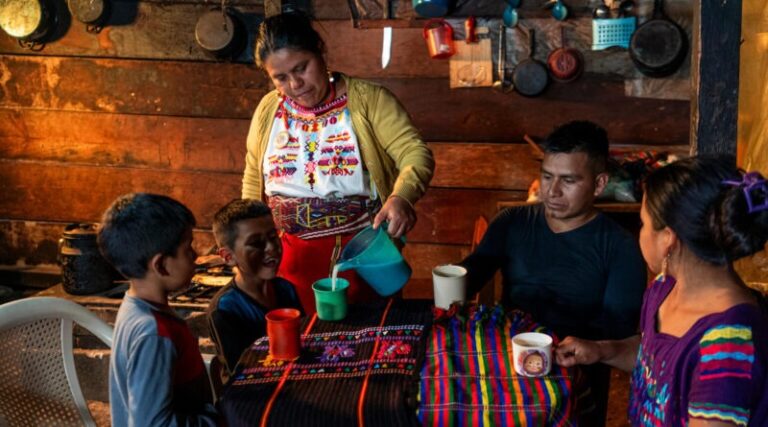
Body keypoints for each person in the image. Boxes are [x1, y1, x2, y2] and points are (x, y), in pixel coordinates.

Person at [241, 11, 435, 314]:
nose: (295, 84)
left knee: (367, 332)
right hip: (286, 260)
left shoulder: (369, 101)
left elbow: (414, 152)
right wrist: (246, 238)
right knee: (297, 333)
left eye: (301, 68)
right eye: (280, 77)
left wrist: (401, 197)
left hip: (362, 254)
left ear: (320, 52)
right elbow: (254, 175)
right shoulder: (269, 109)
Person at [556, 156, 768, 426]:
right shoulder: (664, 288)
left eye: (643, 224)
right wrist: (603, 350)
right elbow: (654, 359)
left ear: (668, 238)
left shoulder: (728, 342)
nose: (641, 233)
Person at [460, 120, 647, 426]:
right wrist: (450, 279)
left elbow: (620, 337)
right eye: (547, 176)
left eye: (568, 180)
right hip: (509, 369)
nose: (552, 191)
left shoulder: (620, 248)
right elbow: (473, 275)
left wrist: (588, 348)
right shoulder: (512, 221)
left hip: (575, 382)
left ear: (599, 184)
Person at [97, 193, 216, 426]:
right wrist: (216, 420)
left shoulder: (135, 307)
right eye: (188, 248)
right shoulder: (153, 333)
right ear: (161, 265)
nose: (195, 256)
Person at [207, 198, 302, 381]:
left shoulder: (286, 289)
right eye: (256, 243)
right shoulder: (225, 309)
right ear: (228, 256)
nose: (271, 248)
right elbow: (240, 375)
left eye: (273, 237)